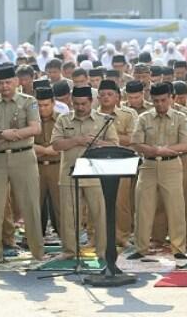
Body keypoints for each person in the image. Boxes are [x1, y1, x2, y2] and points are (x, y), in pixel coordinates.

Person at [0, 64, 44, 263]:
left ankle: (37, 252)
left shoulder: (29, 102)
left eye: (8, 82)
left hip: (23, 156)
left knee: (30, 205)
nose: (5, 86)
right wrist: (1, 134)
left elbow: (36, 128)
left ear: (16, 82)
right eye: (1, 83)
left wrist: (13, 135)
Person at [51, 85, 118, 260]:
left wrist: (96, 144)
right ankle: (70, 251)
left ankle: (102, 251)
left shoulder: (104, 120)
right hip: (69, 174)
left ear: (91, 102)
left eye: (83, 104)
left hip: (96, 174)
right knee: (69, 216)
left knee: (99, 215)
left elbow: (114, 144)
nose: (80, 107)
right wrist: (78, 140)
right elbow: (56, 145)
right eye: (76, 104)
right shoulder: (63, 120)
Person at [129, 82, 187, 260]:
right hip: (148, 165)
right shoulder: (144, 118)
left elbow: (186, 143)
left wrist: (166, 150)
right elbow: (136, 143)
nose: (159, 104)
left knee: (175, 207)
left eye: (163, 100)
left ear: (172, 98)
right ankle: (141, 247)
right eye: (156, 101)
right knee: (143, 207)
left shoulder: (180, 117)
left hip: (171, 164)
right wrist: (155, 151)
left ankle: (178, 248)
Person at [97, 79, 137, 248]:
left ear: (118, 97)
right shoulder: (92, 115)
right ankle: (96, 236)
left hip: (121, 163)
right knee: (97, 201)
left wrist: (108, 140)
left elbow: (132, 139)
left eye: (110, 94)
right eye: (102, 95)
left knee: (121, 203)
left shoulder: (128, 115)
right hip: (97, 163)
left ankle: (122, 236)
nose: (106, 98)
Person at [33, 87, 62, 235]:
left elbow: (63, 144)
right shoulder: (30, 121)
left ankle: (66, 240)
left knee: (60, 206)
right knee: (34, 206)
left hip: (57, 167)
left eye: (46, 105)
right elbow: (26, 143)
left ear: (53, 103)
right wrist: (46, 150)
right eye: (39, 105)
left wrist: (41, 149)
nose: (42, 108)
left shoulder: (62, 120)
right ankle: (35, 240)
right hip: (35, 168)